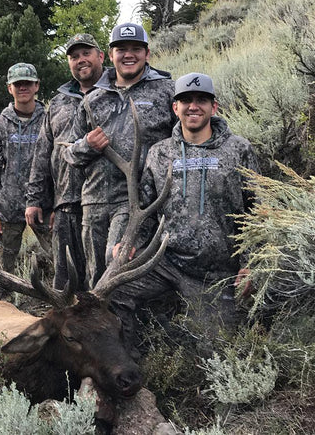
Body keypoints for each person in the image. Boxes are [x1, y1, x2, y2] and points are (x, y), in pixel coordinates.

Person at [109, 73, 260, 354]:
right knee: (115, 291)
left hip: (217, 272)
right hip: (167, 263)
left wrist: (250, 263)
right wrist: (127, 243)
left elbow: (257, 210)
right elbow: (143, 210)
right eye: (186, 100)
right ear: (174, 108)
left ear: (214, 107)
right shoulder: (160, 153)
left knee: (215, 352)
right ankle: (128, 367)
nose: (194, 106)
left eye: (201, 100)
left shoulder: (239, 149)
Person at [63, 23, 177, 288]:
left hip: (135, 201)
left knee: (118, 272)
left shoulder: (166, 91)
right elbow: (68, 152)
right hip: (93, 202)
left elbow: (184, 139)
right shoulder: (93, 98)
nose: (129, 55)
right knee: (95, 278)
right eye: (121, 49)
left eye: (136, 49)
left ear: (147, 53)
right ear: (110, 55)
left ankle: (127, 329)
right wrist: (86, 146)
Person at [26, 34, 105, 290]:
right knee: (66, 283)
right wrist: (36, 199)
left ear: (100, 56)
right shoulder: (58, 101)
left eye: (86, 54)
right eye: (74, 57)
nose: (80, 60)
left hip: (104, 205)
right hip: (65, 207)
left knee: (101, 282)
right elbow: (43, 152)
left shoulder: (114, 92)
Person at [0, 62, 52, 299]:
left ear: (36, 86)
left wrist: (57, 204)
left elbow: (59, 164)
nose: (23, 88)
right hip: (7, 211)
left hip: (45, 206)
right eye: (18, 84)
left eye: (28, 83)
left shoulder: (49, 119)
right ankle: (2, 328)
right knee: (2, 277)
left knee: (64, 263)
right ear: (9, 88)